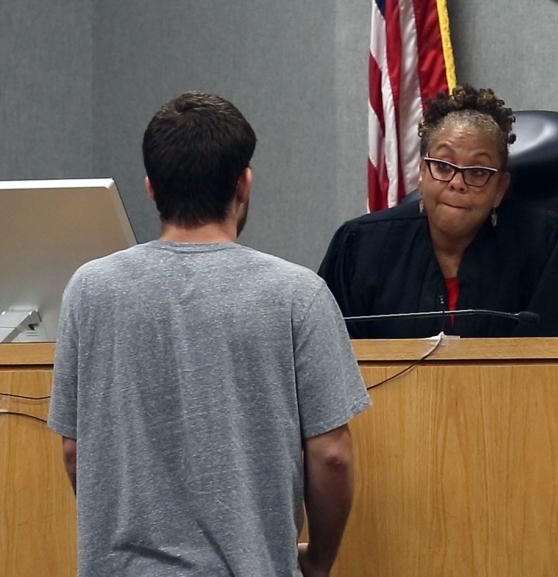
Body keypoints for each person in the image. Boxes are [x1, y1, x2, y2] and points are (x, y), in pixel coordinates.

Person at [48, 91, 370, 577]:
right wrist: (319, 559)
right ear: (244, 183)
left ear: (152, 188)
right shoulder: (298, 294)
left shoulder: (90, 290)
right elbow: (332, 457)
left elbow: (75, 451)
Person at [319, 85, 558, 338]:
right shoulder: (360, 246)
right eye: (443, 166)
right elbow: (326, 362)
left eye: (478, 171)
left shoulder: (546, 243)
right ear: (422, 172)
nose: (458, 183)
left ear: (500, 188)